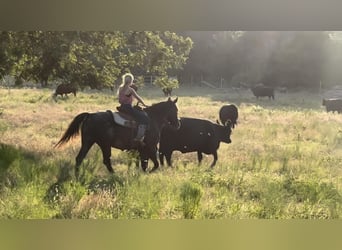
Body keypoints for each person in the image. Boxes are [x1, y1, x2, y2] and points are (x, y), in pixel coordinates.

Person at [117, 73, 149, 145]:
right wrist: (144, 105)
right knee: (144, 117)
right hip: (128, 107)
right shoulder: (130, 90)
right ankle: (138, 138)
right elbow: (138, 98)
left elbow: (119, 100)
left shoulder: (120, 88)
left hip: (122, 107)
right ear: (131, 81)